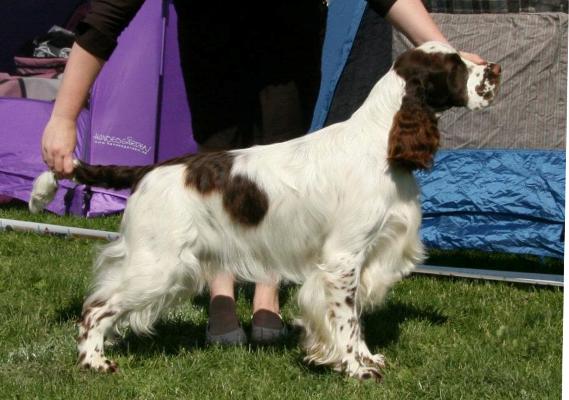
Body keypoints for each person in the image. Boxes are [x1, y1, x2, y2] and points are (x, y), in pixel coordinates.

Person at [41, 0, 485, 346]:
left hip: (288, 35)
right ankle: (221, 295)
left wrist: (444, 53)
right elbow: (104, 19)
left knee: (285, 166)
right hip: (212, 34)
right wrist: (64, 116)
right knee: (217, 159)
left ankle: (268, 296)